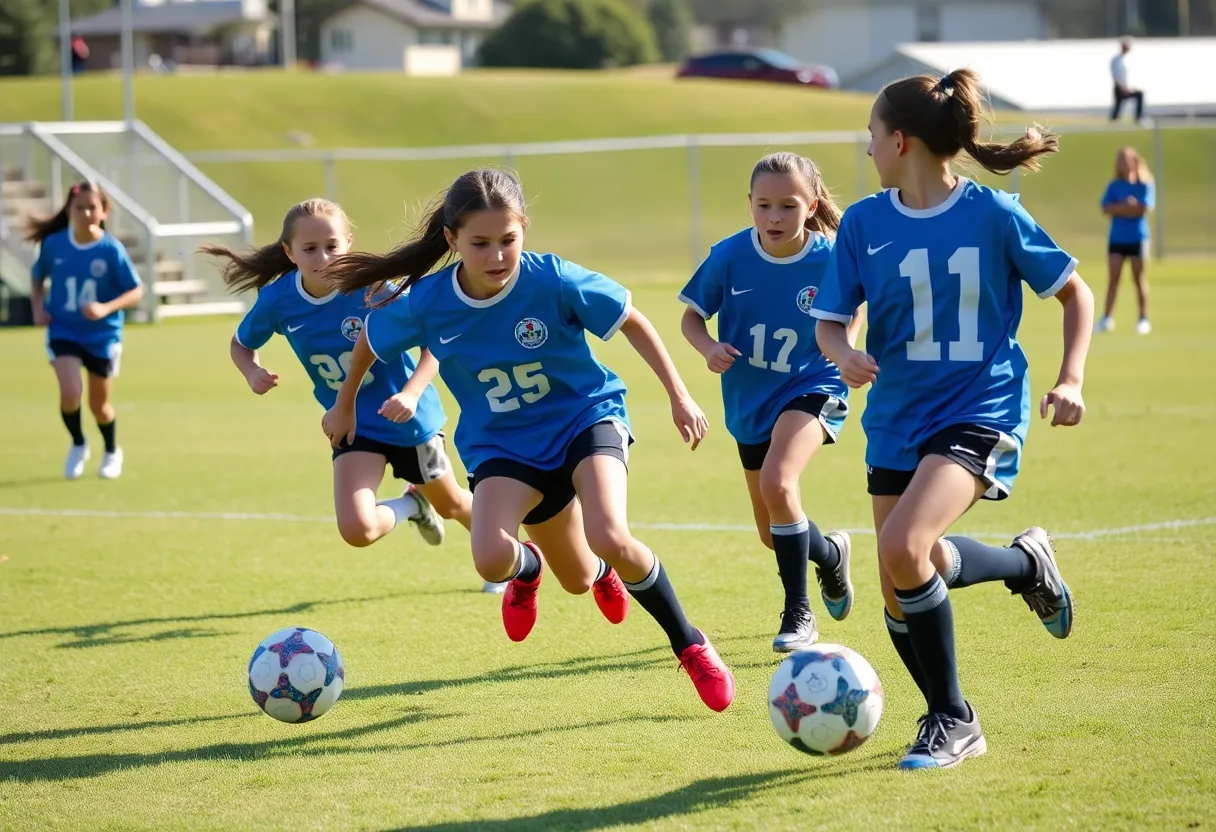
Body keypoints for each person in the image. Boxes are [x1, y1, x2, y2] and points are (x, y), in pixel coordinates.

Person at [321, 168, 736, 712]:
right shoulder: (429, 302)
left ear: (524, 231)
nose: (496, 256)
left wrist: (679, 394)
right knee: (511, 563)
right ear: (451, 241)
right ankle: (532, 569)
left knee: (610, 534)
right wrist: (345, 402)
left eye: (508, 241)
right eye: (480, 244)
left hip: (585, 420)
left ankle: (691, 645)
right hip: (504, 448)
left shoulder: (553, 280)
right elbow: (370, 344)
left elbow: (632, 319)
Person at [810, 69, 1094, 769]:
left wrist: (1071, 377)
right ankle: (1025, 562)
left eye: (871, 136)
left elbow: (1075, 294)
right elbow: (830, 324)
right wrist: (844, 351)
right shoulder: (866, 225)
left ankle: (953, 719)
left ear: (899, 140)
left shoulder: (995, 215)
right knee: (905, 573)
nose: (867, 147)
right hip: (898, 420)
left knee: (904, 547)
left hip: (979, 409)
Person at [202, 198, 506, 594]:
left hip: (408, 423)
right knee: (357, 530)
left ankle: (503, 558)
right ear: (290, 253)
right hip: (351, 423)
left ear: (348, 243)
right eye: (310, 249)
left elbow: (436, 341)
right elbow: (241, 344)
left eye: (332, 245)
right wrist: (252, 371)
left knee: (450, 506)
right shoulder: (280, 301)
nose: (323, 257)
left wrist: (413, 394)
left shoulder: (374, 289)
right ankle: (412, 506)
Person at [678, 152, 861, 654]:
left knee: (781, 482)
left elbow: (853, 308)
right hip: (748, 399)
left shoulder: (829, 259)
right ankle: (829, 554)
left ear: (811, 206)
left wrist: (843, 354)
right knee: (772, 530)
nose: (774, 217)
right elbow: (691, 318)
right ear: (750, 206)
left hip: (812, 383)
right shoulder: (730, 256)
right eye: (764, 205)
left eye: (787, 205)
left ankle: (798, 613)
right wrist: (709, 347)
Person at [27, 180, 144, 480]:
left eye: (93, 207)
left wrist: (105, 308)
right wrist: (38, 307)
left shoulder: (110, 250)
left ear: (103, 211)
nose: (86, 213)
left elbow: (136, 291)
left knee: (99, 406)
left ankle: (110, 451)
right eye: (80, 208)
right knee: (70, 392)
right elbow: (38, 277)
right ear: (68, 210)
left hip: (102, 336)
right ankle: (78, 443)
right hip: (63, 330)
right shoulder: (54, 245)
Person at [1096, 147, 1155, 334]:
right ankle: (1106, 318)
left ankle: (1143, 319)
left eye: (1125, 159)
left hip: (1138, 238)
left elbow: (1144, 208)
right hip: (1117, 239)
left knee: (1139, 279)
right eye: (1119, 159)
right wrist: (1126, 206)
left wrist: (1123, 208)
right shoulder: (1114, 186)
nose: (1122, 162)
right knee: (1113, 280)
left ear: (1134, 161)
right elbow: (1106, 208)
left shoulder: (1144, 184)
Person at [1110, 38, 1146, 124]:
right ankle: (1138, 117)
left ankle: (1114, 119)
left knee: (1118, 106)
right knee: (1139, 95)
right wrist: (1123, 88)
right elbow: (1117, 76)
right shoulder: (1117, 60)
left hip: (1121, 87)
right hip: (1120, 87)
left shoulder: (1120, 59)